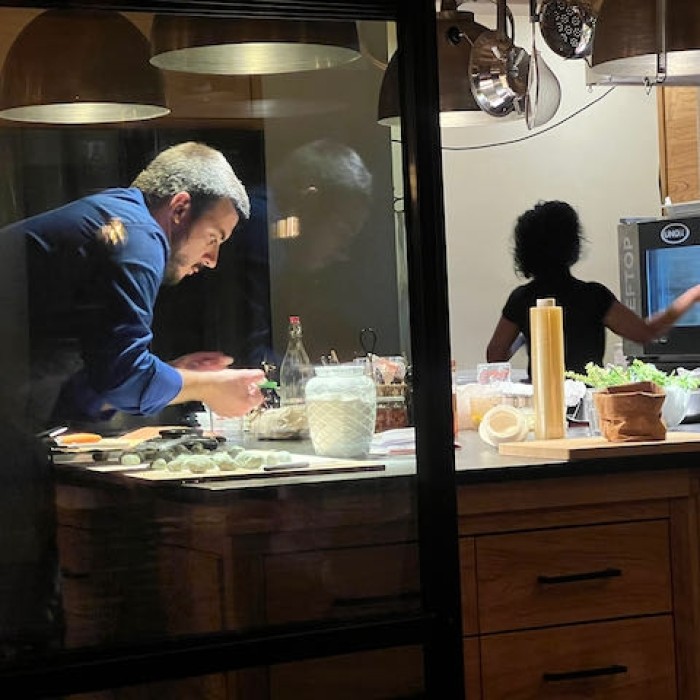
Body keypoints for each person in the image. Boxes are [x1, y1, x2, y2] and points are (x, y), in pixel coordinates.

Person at [6, 141, 265, 431]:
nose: (212, 260)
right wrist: (209, 387)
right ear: (179, 209)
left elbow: (82, 393)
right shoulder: (138, 235)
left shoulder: (121, 217)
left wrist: (176, 376)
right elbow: (122, 379)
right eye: (213, 238)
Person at [486, 200, 700, 376]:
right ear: (573, 246)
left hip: (542, 406)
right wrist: (692, 295)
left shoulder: (521, 298)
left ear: (524, 251)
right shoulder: (593, 296)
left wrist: (525, 337)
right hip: (585, 405)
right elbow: (646, 333)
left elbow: (495, 355)